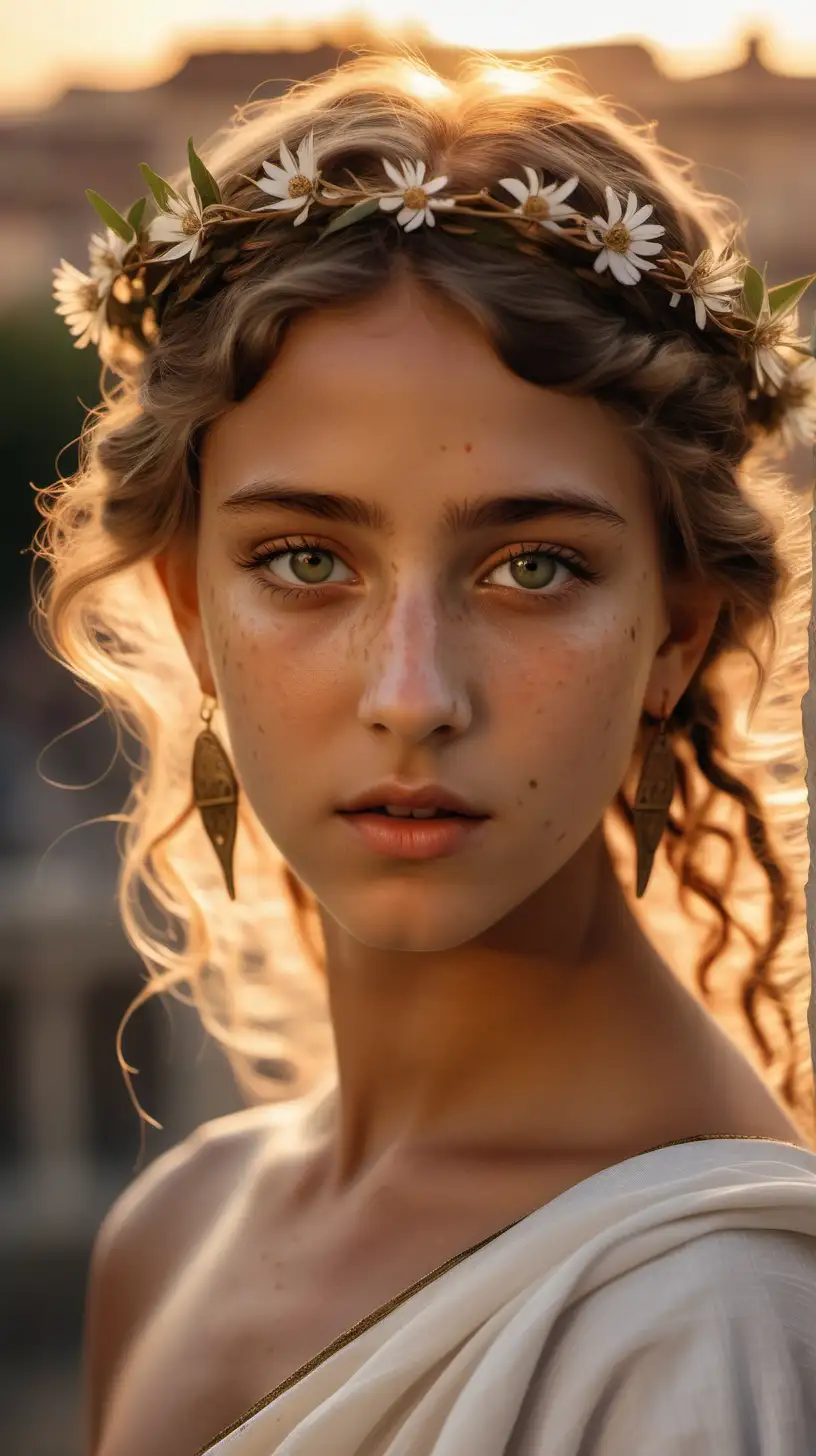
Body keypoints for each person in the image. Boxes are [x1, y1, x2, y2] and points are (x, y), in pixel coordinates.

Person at [39, 52, 816, 1456]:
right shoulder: (173, 1230)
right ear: (189, 613)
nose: (413, 695)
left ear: (676, 639)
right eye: (303, 559)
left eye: (530, 567)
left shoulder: (711, 1328)